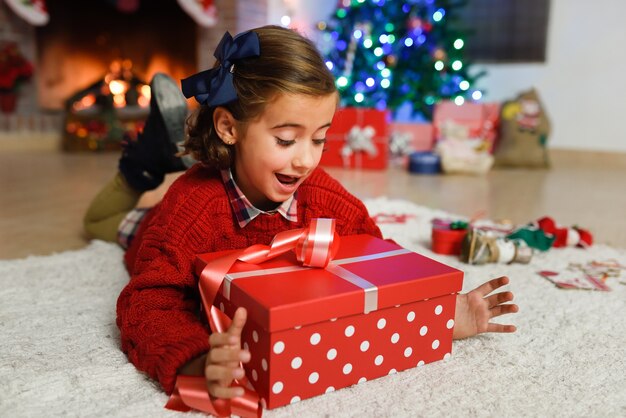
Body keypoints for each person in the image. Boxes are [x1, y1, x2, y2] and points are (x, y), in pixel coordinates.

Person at [85, 25, 518, 402]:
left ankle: (173, 147)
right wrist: (194, 360)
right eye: (287, 140)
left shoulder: (323, 196)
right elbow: (147, 301)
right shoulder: (189, 212)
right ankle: (141, 165)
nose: (306, 160)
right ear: (229, 127)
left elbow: (377, 261)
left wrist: (436, 316)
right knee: (99, 224)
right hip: (152, 228)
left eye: (319, 139)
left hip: (221, 177)